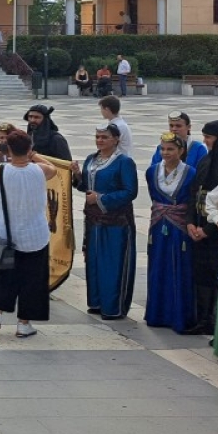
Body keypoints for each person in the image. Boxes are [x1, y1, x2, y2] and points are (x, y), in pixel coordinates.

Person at [0, 129, 57, 338]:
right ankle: (23, 323)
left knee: (5, 275)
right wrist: (33, 154)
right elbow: (53, 168)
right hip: (36, 235)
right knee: (33, 280)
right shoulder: (39, 170)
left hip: (8, 234)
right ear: (29, 148)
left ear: (8, 149)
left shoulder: (1, 171)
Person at [71, 121, 138, 321]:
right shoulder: (92, 159)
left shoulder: (123, 162)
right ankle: (97, 302)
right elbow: (86, 186)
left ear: (116, 139)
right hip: (94, 221)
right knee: (94, 260)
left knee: (113, 262)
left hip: (116, 222)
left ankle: (113, 306)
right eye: (98, 137)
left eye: (105, 137)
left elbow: (130, 191)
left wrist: (101, 198)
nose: (100, 140)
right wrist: (76, 175)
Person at [145, 132, 197, 333]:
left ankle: (178, 315)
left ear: (181, 151)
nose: (165, 153)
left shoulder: (190, 172)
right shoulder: (152, 171)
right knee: (158, 265)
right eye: (162, 149)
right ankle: (157, 314)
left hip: (180, 226)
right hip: (159, 226)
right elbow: (153, 196)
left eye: (170, 149)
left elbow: (192, 201)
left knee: (179, 266)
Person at [192, 120, 218, 344]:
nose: (206, 141)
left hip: (216, 233)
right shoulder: (208, 159)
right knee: (203, 275)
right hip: (200, 226)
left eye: (209, 137)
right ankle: (204, 318)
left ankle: (217, 323)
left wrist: (209, 229)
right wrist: (191, 223)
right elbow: (195, 192)